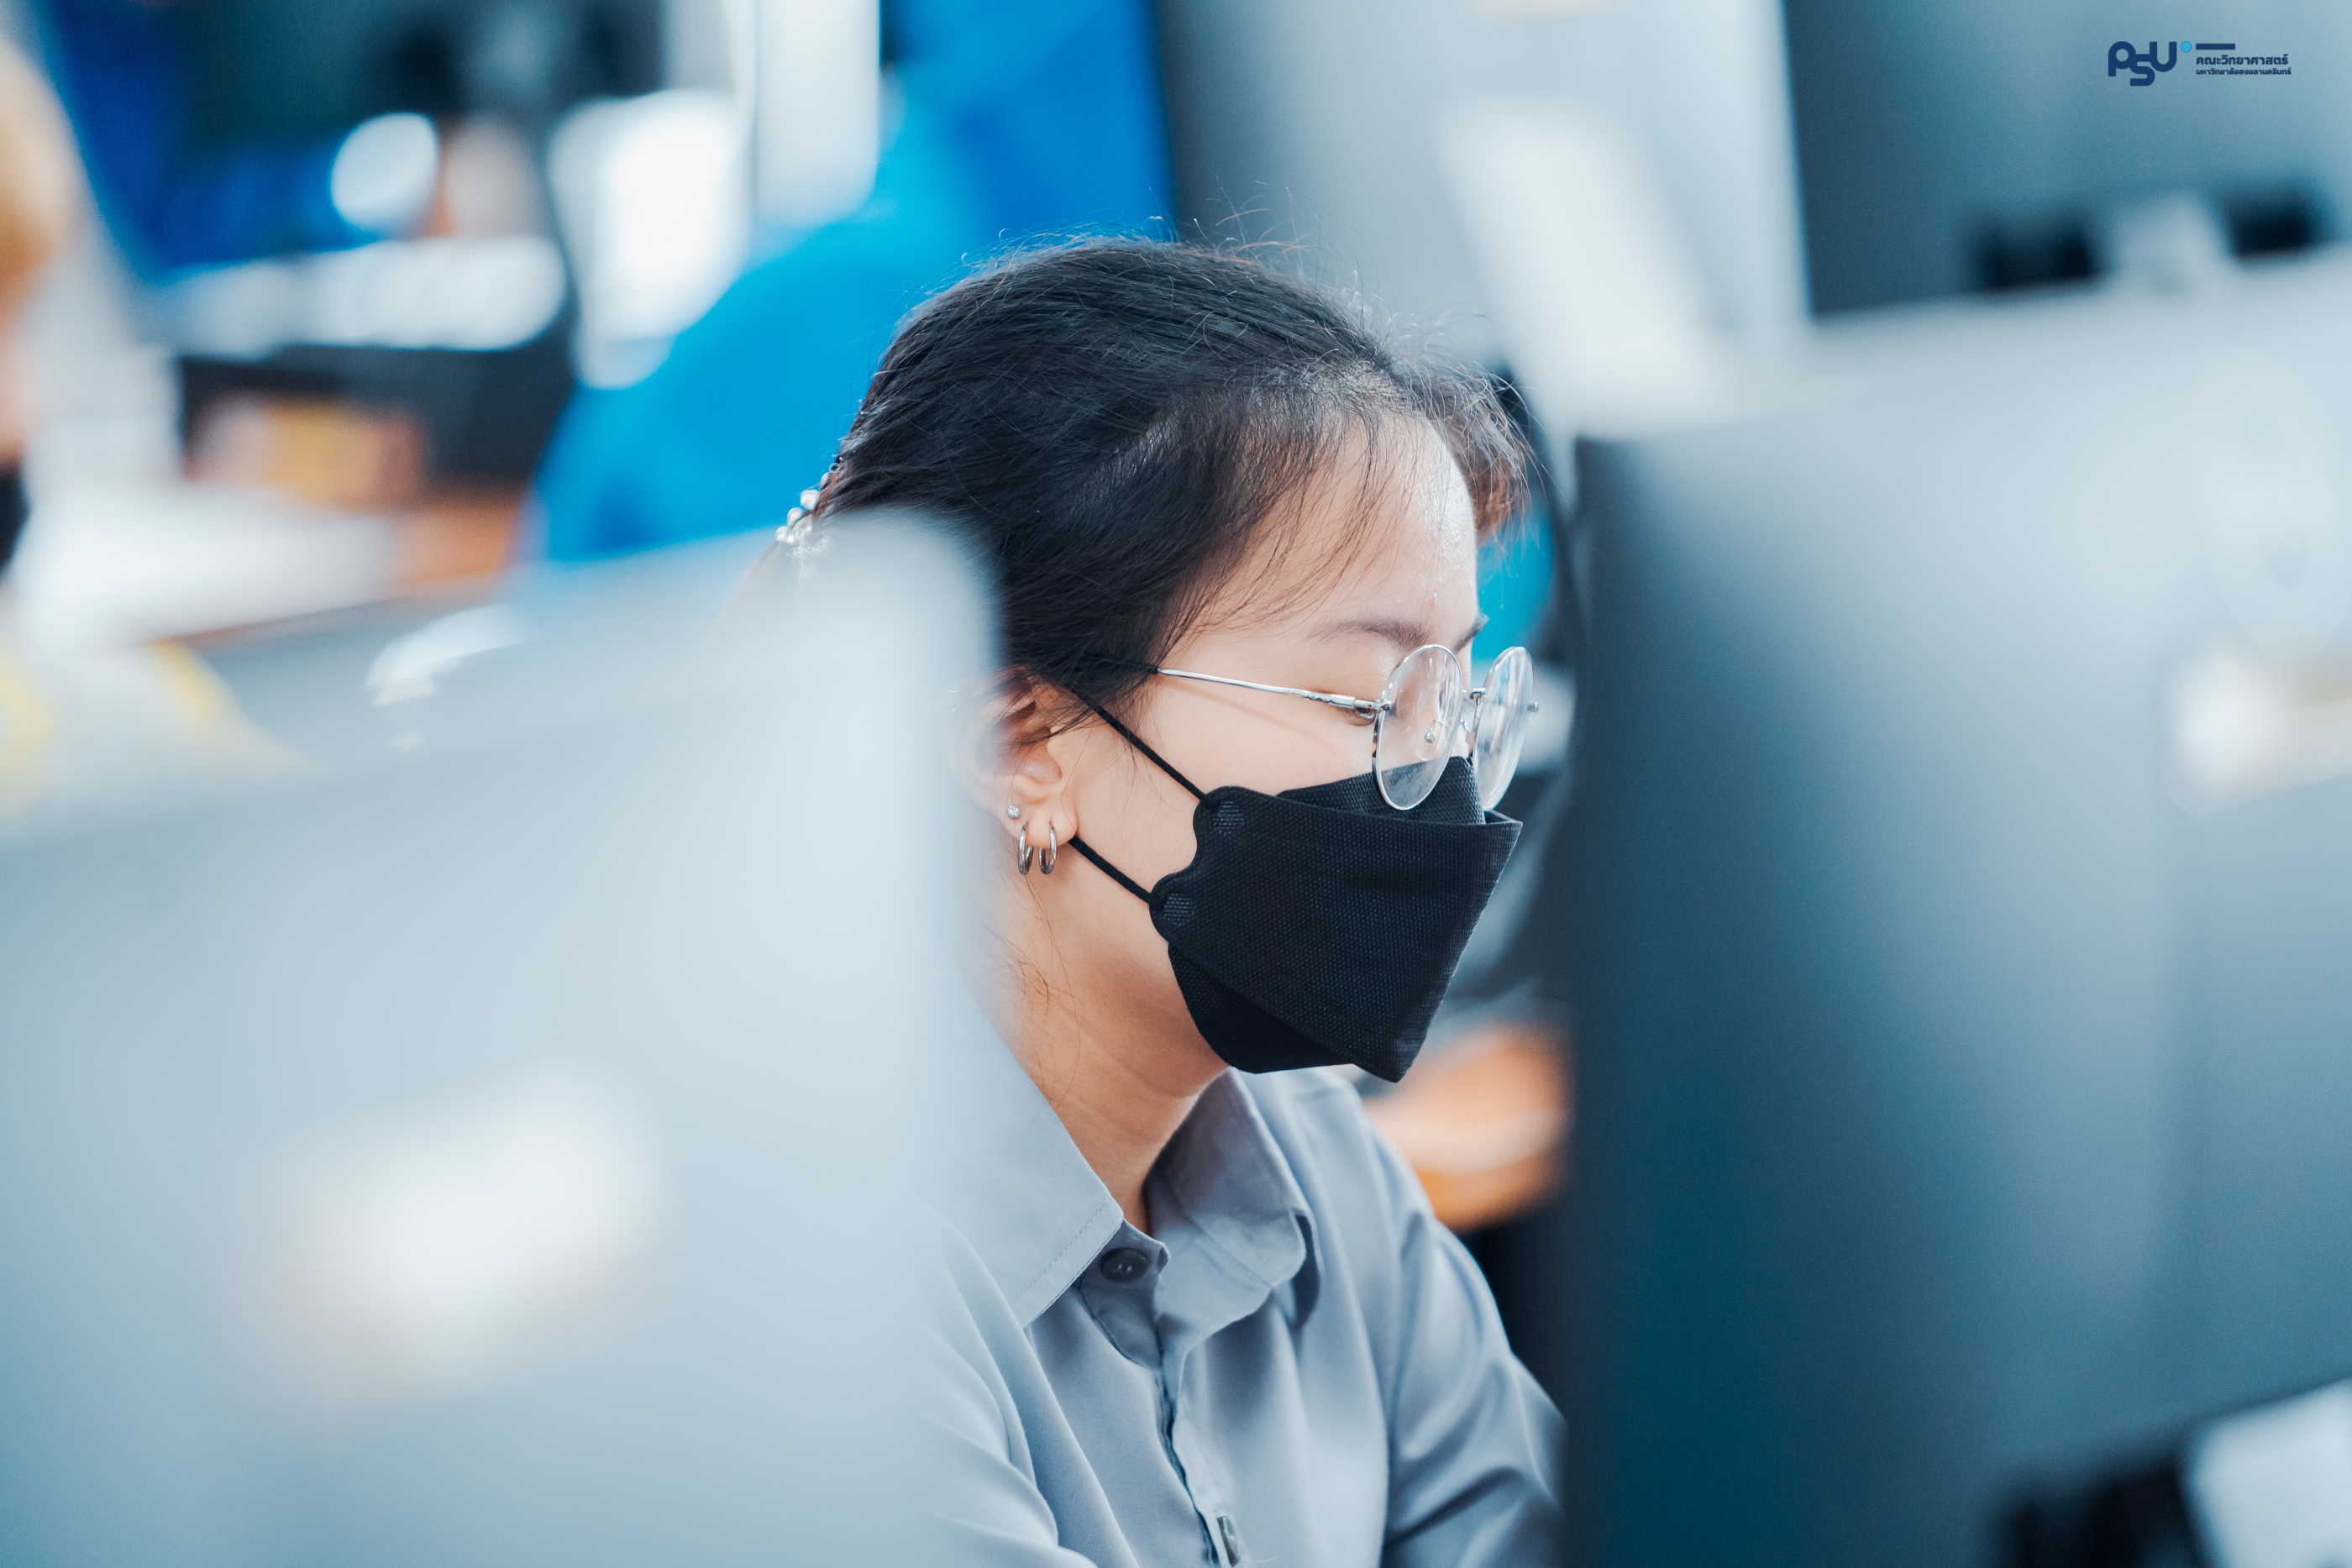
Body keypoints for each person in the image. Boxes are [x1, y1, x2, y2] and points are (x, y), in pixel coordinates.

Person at [779, 241, 1562, 1566]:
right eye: (1368, 701)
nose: (1435, 778)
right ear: (1022, 743)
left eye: (1454, 696)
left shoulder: (1311, 1158)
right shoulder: (821, 1297)